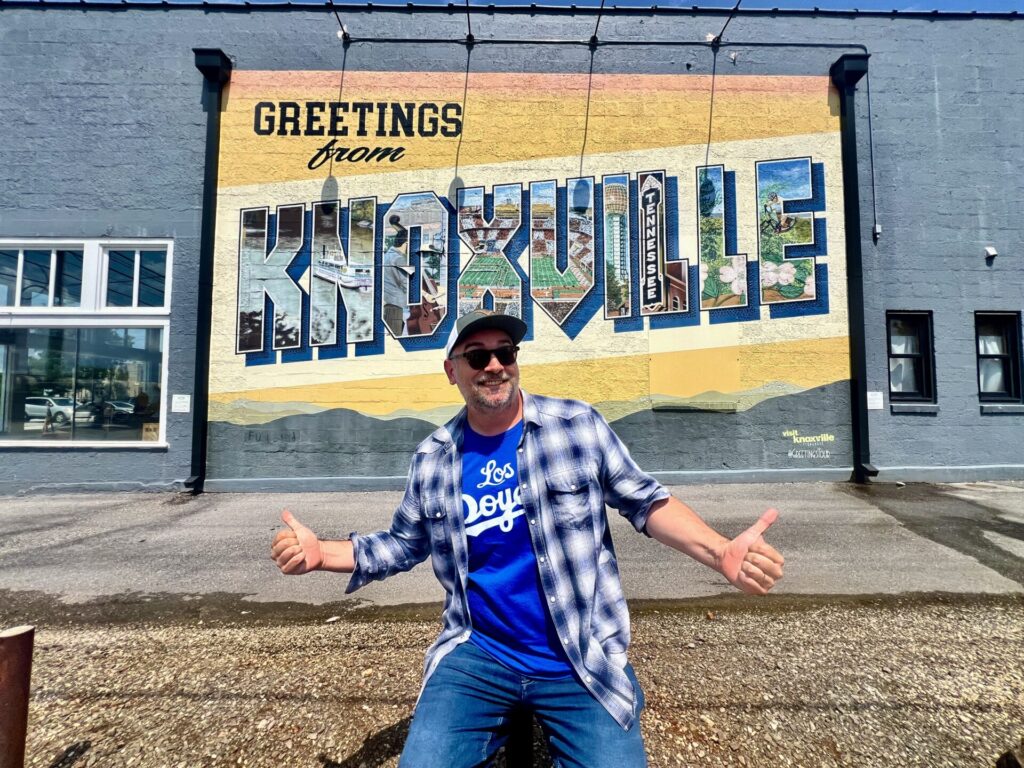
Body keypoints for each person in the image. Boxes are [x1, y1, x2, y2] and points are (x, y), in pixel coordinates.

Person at [271, 309, 784, 768]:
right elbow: (402, 544)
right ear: (452, 371)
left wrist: (720, 551)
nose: (494, 366)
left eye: (506, 352)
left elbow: (646, 502)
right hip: (478, 655)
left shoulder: (576, 426)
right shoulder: (433, 458)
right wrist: (320, 554)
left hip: (578, 655)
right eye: (477, 356)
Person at [382, 214, 414, 337]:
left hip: (389, 303)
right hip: (397, 305)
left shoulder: (387, 255)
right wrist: (425, 295)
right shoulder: (399, 259)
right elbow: (407, 283)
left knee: (393, 335)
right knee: (396, 336)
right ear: (406, 244)